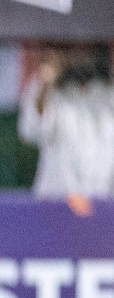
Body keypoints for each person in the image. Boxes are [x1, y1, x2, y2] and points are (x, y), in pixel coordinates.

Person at [18, 43, 114, 199]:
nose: (78, 55)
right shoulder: (48, 92)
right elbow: (31, 130)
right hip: (57, 205)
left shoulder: (109, 94)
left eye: (85, 48)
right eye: (70, 49)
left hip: (103, 205)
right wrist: (45, 84)